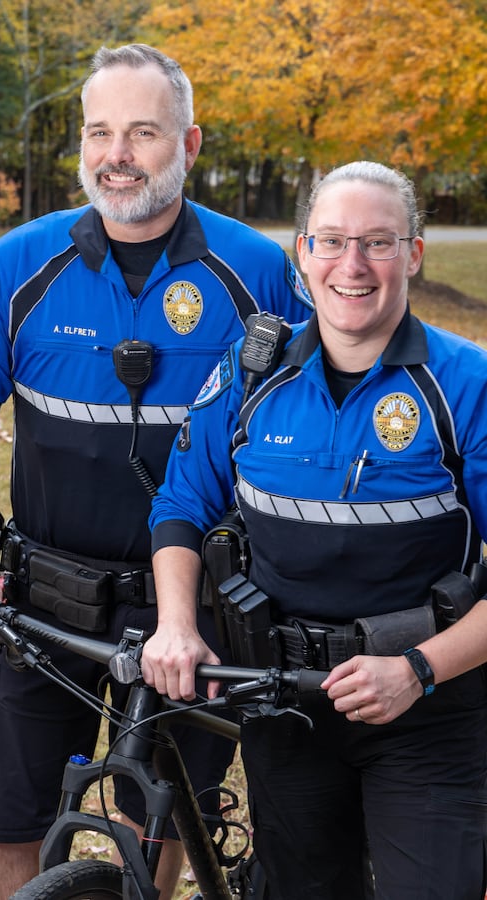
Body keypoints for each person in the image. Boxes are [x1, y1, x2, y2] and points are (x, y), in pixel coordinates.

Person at [0, 43, 312, 900]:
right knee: (8, 820)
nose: (116, 154)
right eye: (100, 132)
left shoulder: (260, 273)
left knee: (166, 815)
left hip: (197, 613)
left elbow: (316, 413)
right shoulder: (22, 264)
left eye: (143, 133)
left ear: (191, 144)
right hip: (44, 603)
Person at [143, 160, 487, 899]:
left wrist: (419, 671)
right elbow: (181, 503)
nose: (352, 265)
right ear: (302, 254)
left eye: (378, 242)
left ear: (414, 254)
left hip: (428, 707)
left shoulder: (466, 383)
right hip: (282, 702)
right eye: (330, 242)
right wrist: (176, 623)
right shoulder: (250, 370)